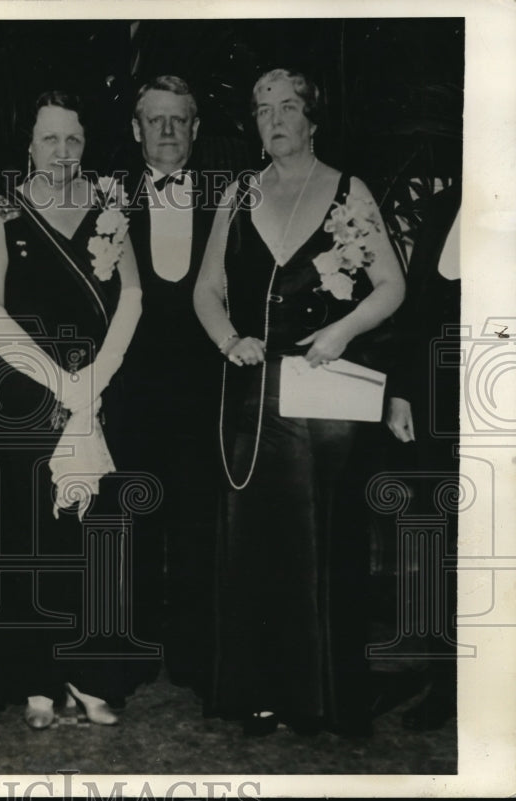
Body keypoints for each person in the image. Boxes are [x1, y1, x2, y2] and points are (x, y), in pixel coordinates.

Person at [193, 68, 405, 736]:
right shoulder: (236, 194)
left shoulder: (350, 190)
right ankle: (257, 691)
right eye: (262, 109)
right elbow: (205, 290)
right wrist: (229, 339)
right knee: (254, 543)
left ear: (312, 119)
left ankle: (321, 697)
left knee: (323, 542)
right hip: (253, 393)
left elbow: (391, 286)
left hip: (325, 388)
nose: (275, 118)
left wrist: (341, 331)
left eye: (288, 107)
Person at [0, 90, 142, 729]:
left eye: (73, 140)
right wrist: (58, 384)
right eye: (49, 139)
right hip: (27, 396)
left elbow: (133, 300)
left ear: (85, 145)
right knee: (34, 536)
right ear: (30, 145)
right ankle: (36, 677)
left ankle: (90, 672)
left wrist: (95, 380)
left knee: (94, 537)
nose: (62, 152)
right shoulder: (0, 208)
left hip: (99, 393)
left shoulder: (110, 207)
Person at [114, 75, 220, 695]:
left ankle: (193, 655)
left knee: (197, 522)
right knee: (133, 518)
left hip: (203, 391)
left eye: (179, 119)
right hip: (131, 392)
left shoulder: (228, 199)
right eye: (155, 120)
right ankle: (130, 653)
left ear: (196, 128)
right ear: (135, 129)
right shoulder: (108, 199)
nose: (168, 131)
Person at [384, 182, 461, 731]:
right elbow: (416, 309)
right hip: (437, 404)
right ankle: (447, 679)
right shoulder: (443, 206)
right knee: (438, 543)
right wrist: (402, 391)